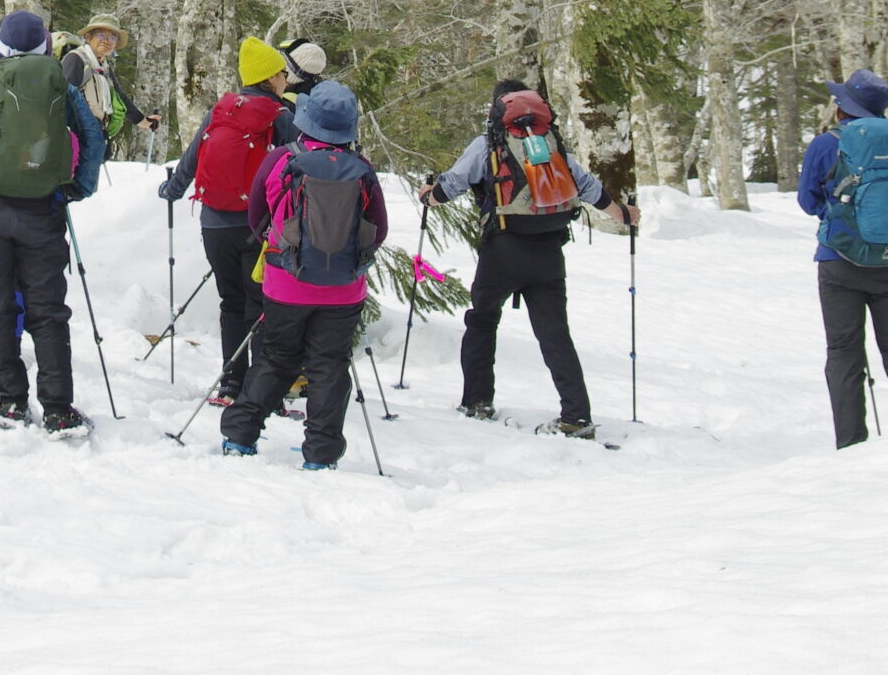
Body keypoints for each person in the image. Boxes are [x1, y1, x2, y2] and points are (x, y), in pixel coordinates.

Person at [419, 85, 637, 437]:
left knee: (482, 321)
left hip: (503, 249)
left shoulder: (489, 144)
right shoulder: (551, 143)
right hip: (549, 249)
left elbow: (453, 184)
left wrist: (430, 196)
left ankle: (477, 401)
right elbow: (587, 185)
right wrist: (621, 214)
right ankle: (576, 416)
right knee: (555, 334)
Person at [0, 11, 106, 433]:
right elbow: (93, 136)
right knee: (48, 309)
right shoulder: (63, 89)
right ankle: (57, 408)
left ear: (1, 48)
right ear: (45, 49)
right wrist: (79, 185)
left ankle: (10, 400)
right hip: (43, 208)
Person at [219, 82, 388, 469]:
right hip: (344, 291)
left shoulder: (281, 158)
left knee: (276, 358)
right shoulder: (362, 170)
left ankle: (241, 434)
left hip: (286, 283)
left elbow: (256, 215)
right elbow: (378, 228)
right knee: (329, 366)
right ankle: (321, 453)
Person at [799, 68, 888, 449]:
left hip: (838, 261)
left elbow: (807, 201)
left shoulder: (825, 144)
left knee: (844, 354)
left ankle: (851, 446)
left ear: (843, 108)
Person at [157, 35, 290, 404]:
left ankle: (231, 384)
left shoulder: (222, 109)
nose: (286, 79)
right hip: (255, 225)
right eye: (281, 73)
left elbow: (191, 157)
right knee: (260, 305)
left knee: (231, 303)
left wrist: (173, 189)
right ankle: (262, 393)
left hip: (214, 224)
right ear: (269, 78)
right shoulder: (279, 116)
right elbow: (303, 158)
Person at [60, 16, 146, 145]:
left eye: (112, 38)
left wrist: (142, 120)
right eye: (101, 35)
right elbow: (63, 99)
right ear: (88, 37)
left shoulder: (103, 65)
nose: (106, 41)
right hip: (76, 136)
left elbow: (119, 95)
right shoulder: (76, 59)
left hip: (96, 133)